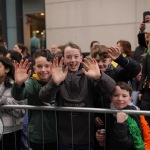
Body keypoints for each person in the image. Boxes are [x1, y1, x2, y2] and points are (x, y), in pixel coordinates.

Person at [39, 42, 116, 150]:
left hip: (86, 136)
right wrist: (54, 83)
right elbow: (44, 97)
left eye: (76, 57)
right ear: (64, 59)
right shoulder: (59, 74)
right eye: (68, 57)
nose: (73, 60)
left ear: (81, 57)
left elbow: (111, 88)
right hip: (64, 136)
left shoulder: (89, 74)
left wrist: (99, 77)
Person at [11, 49, 57, 150]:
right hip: (37, 136)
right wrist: (18, 84)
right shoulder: (32, 82)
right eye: (39, 66)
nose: (43, 70)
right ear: (34, 68)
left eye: (47, 66)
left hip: (59, 134)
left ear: (52, 66)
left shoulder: (59, 80)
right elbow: (19, 95)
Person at [96, 82, 144, 150]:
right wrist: (100, 138)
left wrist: (120, 124)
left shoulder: (133, 113)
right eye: (116, 95)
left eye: (124, 96)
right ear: (111, 97)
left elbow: (130, 143)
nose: (120, 99)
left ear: (130, 98)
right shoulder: (107, 111)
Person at [0, 57, 26, 150]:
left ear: (7, 69)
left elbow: (21, 112)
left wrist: (4, 102)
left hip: (11, 132)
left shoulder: (16, 86)